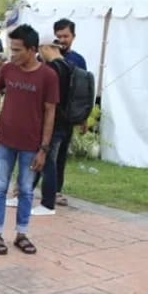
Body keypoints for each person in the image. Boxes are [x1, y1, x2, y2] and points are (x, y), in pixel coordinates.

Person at [0, 24, 58, 256]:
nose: (13, 54)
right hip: (6, 141)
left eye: (18, 50)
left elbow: (50, 112)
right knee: (0, 187)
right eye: (11, 48)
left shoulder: (48, 76)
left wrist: (44, 149)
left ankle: (21, 233)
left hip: (32, 144)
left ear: (32, 49)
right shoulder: (7, 69)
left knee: (26, 190)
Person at [30, 37, 74, 216]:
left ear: (46, 48)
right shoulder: (70, 66)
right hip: (66, 122)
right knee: (45, 161)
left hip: (53, 122)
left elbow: (47, 99)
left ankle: (48, 203)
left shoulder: (52, 69)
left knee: (48, 162)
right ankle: (25, 192)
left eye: (39, 50)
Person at [53, 18, 88, 206]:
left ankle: (56, 190)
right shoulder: (46, 58)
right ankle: (23, 187)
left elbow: (83, 91)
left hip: (67, 116)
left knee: (60, 155)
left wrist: (83, 117)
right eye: (58, 36)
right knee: (38, 153)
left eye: (65, 36)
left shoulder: (78, 60)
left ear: (73, 36)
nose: (62, 40)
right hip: (47, 114)